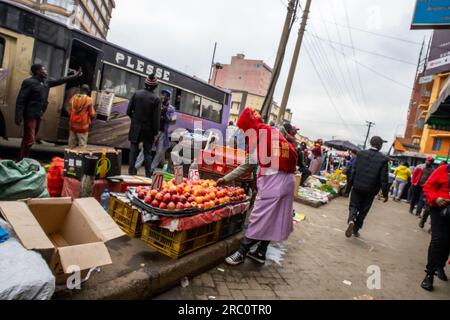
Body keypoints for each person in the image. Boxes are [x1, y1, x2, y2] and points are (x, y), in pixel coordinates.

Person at [221, 107, 298, 265]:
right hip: (286, 181)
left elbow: (246, 166)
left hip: (274, 183)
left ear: (248, 125)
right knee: (273, 219)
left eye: (243, 128)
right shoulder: (271, 132)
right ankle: (261, 253)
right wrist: (226, 178)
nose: (243, 132)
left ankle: (242, 252)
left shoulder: (260, 137)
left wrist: (225, 179)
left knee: (258, 218)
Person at [15, 64, 83, 160]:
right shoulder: (29, 82)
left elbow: (60, 80)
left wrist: (74, 76)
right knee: (30, 139)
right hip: (30, 114)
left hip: (39, 114)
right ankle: (22, 159)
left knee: (28, 138)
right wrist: (18, 115)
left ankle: (22, 158)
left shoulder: (46, 82)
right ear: (37, 71)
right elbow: (21, 99)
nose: (46, 71)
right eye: (44, 69)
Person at [345, 136, 389, 238]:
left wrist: (348, 188)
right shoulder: (383, 159)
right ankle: (356, 229)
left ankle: (351, 220)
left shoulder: (360, 154)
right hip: (371, 190)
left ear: (370, 143)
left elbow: (353, 172)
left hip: (357, 187)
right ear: (380, 146)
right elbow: (384, 179)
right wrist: (385, 194)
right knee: (364, 210)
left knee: (354, 206)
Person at [420, 163, 450, 291]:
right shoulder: (443, 170)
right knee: (437, 240)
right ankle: (429, 274)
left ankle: (440, 266)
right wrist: (436, 197)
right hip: (439, 210)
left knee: (448, 242)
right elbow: (427, 187)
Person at [127, 74, 161, 177]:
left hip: (135, 127)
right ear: (155, 86)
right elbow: (156, 119)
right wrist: (155, 132)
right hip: (149, 130)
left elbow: (128, 111)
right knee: (147, 152)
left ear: (145, 83)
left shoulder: (136, 94)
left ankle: (131, 172)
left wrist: (135, 120)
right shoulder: (156, 99)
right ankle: (148, 174)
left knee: (133, 150)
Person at [149, 89, 176, 174]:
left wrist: (164, 112)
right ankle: (135, 167)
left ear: (168, 97)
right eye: (162, 94)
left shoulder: (171, 108)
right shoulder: (156, 104)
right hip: (153, 130)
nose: (163, 96)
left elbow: (170, 120)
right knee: (146, 149)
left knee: (160, 152)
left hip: (163, 132)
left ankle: (151, 169)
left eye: (166, 95)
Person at [68, 85, 96, 149]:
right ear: (88, 91)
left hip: (73, 123)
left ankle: (70, 156)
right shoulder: (88, 100)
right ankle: (79, 157)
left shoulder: (73, 97)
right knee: (82, 143)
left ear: (80, 89)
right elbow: (92, 113)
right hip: (83, 125)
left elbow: (69, 110)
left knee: (72, 141)